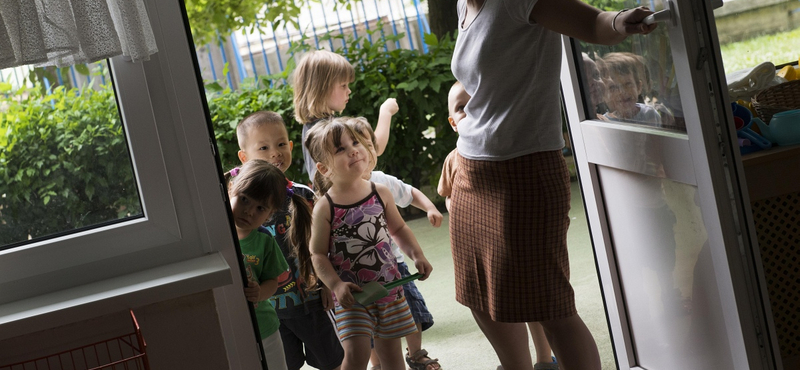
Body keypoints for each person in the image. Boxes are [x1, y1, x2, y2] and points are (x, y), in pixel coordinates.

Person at [450, 1, 656, 370]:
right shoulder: (464, 5)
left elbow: (594, 23)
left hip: (524, 173)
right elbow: (483, 74)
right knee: (478, 293)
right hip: (470, 171)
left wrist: (622, 22)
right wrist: (459, 101)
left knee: (550, 305)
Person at [438, 81, 558, 370]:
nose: (470, 112)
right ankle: (520, 362)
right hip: (479, 243)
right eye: (462, 109)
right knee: (495, 304)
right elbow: (449, 197)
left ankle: (544, 357)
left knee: (532, 300)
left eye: (476, 104)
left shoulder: (505, 151)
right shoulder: (453, 159)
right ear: (453, 123)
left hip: (511, 239)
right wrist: (459, 209)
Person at [298, 117, 434, 370]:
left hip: (389, 290)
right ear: (324, 168)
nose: (353, 150)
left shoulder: (380, 191)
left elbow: (399, 229)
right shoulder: (325, 206)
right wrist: (336, 285)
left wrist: (417, 255)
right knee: (357, 356)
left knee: (392, 356)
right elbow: (317, 253)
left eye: (354, 142)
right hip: (352, 297)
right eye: (340, 149)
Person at [235, 111, 344, 370]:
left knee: (331, 360)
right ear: (244, 156)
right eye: (263, 147)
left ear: (291, 146)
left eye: (281, 144)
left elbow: (320, 244)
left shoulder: (303, 195)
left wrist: (327, 283)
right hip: (271, 308)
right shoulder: (240, 203)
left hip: (311, 299)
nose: (275, 153)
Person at [349, 117, 443, 370]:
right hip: (361, 275)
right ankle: (377, 363)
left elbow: (410, 195)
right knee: (369, 323)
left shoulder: (383, 181)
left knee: (412, 310)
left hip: (395, 266)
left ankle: (416, 354)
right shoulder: (339, 195)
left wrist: (430, 207)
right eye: (352, 147)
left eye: (368, 145)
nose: (362, 153)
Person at [226, 159, 310, 370]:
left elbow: (273, 281)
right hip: (228, 327)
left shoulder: (264, 240)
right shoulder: (217, 234)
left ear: (270, 214)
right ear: (230, 191)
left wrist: (260, 293)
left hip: (264, 327)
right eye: (244, 199)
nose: (249, 211)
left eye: (260, 207)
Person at [292, 49, 399, 179]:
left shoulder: (313, 126)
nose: (348, 91)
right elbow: (373, 149)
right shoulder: (327, 130)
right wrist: (386, 112)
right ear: (321, 89)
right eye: (343, 85)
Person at [600, 52, 662, 126]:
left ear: (638, 87)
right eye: (613, 87)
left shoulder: (650, 115)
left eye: (628, 84)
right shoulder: (603, 122)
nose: (622, 92)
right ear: (603, 94)